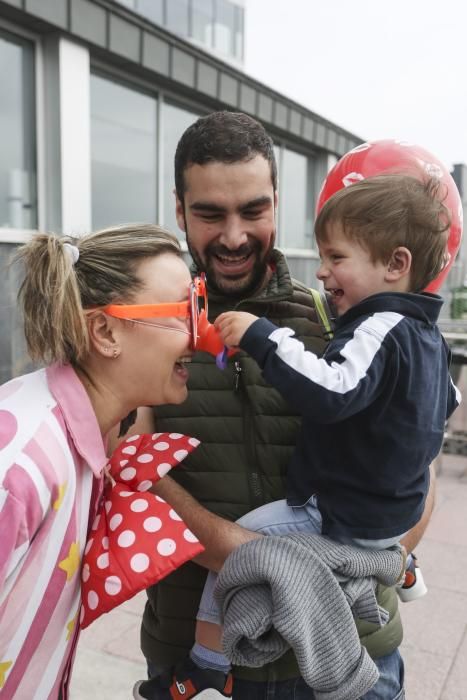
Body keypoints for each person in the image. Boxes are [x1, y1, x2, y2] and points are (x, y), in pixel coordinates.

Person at [136, 111, 437, 700]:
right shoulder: (145, 327)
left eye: (252, 210)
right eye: (209, 213)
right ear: (179, 210)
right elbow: (129, 472)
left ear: (276, 201)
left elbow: (416, 465)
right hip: (207, 675)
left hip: (351, 653)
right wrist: (246, 551)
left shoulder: (349, 316)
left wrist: (373, 558)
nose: (232, 235)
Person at [0, 224, 213, 699]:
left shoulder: (84, 447)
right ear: (105, 331)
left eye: (199, 305)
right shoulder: (22, 467)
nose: (203, 332)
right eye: (185, 312)